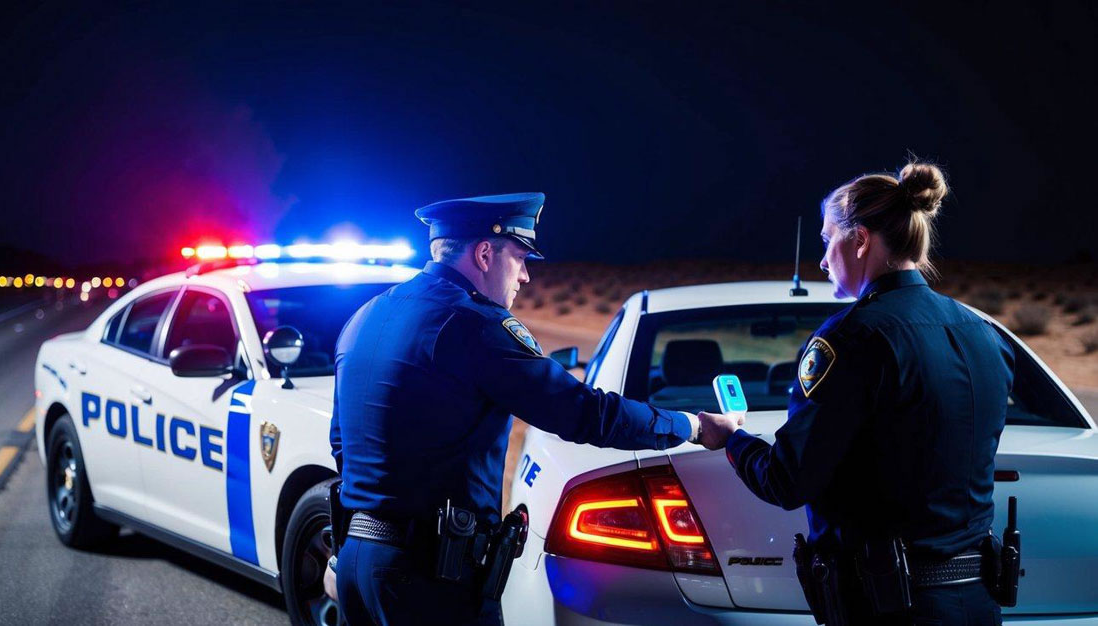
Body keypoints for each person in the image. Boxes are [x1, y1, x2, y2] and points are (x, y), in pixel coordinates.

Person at [322, 192, 730, 625]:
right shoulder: (475, 325)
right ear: (484, 254)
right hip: (428, 581)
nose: (526, 277)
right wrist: (692, 426)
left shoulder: (366, 316)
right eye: (520, 259)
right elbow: (582, 412)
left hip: (357, 563)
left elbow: (342, 442)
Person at [699, 162, 1016, 625]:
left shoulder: (852, 340)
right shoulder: (986, 334)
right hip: (977, 605)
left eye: (829, 239)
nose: (825, 259)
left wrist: (731, 440)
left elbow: (787, 480)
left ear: (861, 239)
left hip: (888, 609)